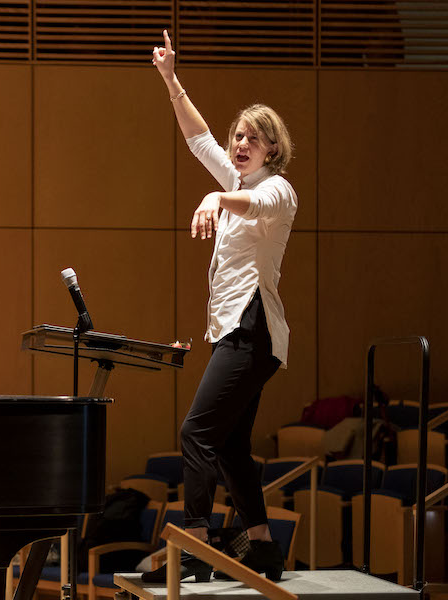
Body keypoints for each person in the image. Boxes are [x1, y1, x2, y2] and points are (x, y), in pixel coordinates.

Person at [145, 30, 297, 583]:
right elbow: (197, 136)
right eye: (238, 136)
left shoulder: (278, 190)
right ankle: (262, 547)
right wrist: (170, 78)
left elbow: (251, 202)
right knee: (230, 444)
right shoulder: (234, 174)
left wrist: (214, 196)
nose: (239, 144)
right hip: (238, 331)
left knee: (195, 434)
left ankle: (194, 545)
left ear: (271, 150)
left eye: (252, 139)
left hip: (254, 329)